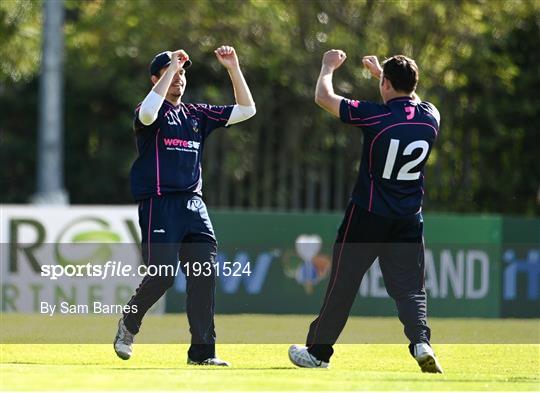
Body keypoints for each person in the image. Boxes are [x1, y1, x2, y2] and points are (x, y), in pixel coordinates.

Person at [288, 50, 443, 373]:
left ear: (386, 83)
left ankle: (318, 352)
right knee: (411, 288)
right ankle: (421, 343)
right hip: (408, 219)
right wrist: (383, 76)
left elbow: (323, 97)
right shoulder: (431, 117)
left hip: (368, 215)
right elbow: (410, 101)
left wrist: (328, 65)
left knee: (343, 284)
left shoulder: (375, 116)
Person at [114, 46, 256, 366]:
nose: (179, 76)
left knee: (204, 275)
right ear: (155, 78)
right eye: (170, 71)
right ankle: (129, 323)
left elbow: (247, 109)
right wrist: (170, 68)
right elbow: (148, 113)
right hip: (160, 204)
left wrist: (233, 67)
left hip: (194, 205)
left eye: (182, 71)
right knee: (163, 275)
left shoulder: (196, 114)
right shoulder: (149, 110)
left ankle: (203, 353)